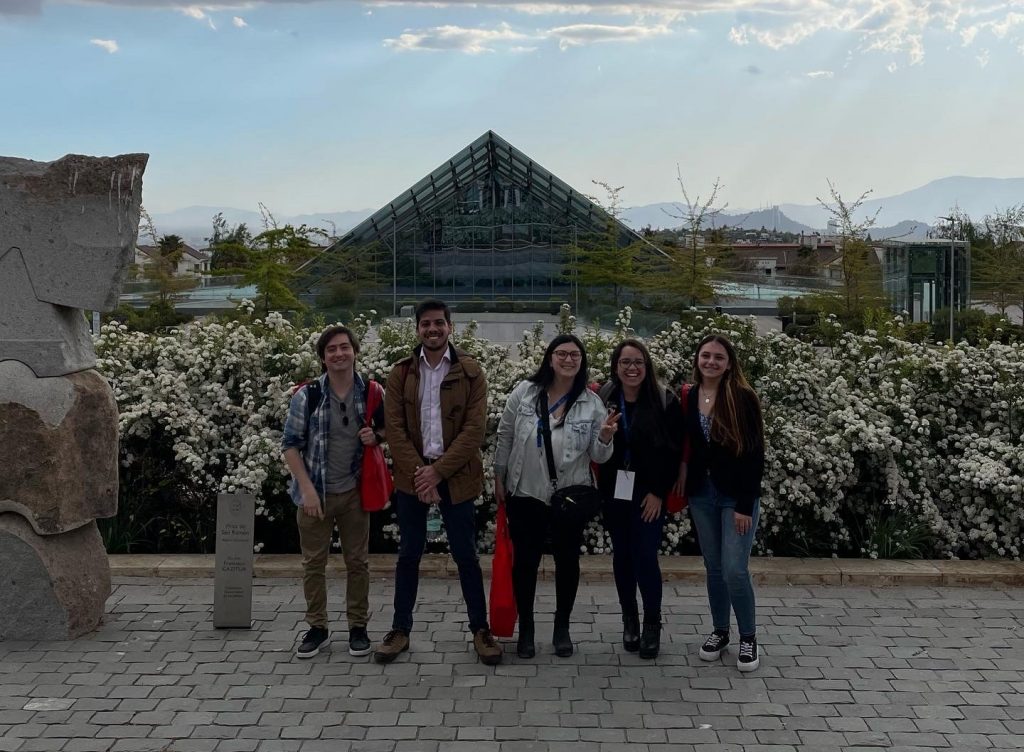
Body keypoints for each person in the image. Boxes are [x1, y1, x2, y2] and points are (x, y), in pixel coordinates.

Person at [373, 299, 502, 666]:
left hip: (455, 475)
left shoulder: (471, 372)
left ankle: (480, 629)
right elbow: (394, 429)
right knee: (408, 554)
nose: (432, 329)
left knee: (466, 556)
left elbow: (474, 430)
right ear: (417, 329)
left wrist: (438, 472)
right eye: (426, 324)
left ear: (450, 327)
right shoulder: (401, 373)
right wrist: (422, 473)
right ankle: (400, 629)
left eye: (439, 323)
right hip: (413, 477)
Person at [493, 335, 618, 659]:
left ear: (582, 361)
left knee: (567, 561)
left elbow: (599, 456)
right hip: (526, 491)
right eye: (561, 353)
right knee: (525, 562)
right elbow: (505, 435)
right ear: (550, 358)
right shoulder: (525, 392)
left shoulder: (591, 403)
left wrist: (605, 438)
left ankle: (562, 627)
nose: (567, 360)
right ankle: (527, 629)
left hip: (570, 495)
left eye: (574, 355)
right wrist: (499, 476)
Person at [282, 325, 386, 659]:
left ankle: (358, 627)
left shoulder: (372, 392)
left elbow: (388, 428)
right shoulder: (307, 396)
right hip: (315, 494)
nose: (339, 354)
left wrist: (376, 436)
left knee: (358, 562)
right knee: (314, 564)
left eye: (344, 347)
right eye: (331, 349)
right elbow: (290, 445)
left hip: (355, 492)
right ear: (323, 357)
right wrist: (307, 490)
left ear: (355, 351)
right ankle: (317, 627)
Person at [679, 333, 765, 672]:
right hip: (702, 494)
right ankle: (720, 630)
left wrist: (745, 504)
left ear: (729, 363)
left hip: (735, 495)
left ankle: (748, 636)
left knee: (734, 569)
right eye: (706, 355)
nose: (711, 362)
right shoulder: (689, 395)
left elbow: (755, 454)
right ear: (697, 359)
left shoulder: (742, 397)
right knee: (714, 568)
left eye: (718, 357)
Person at [596, 338, 684, 659]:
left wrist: (659, 492)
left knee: (645, 556)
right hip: (615, 490)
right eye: (625, 362)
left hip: (649, 493)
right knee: (622, 556)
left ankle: (652, 623)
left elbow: (673, 452)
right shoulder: (604, 398)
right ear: (616, 366)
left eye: (638, 362)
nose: (632, 368)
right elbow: (595, 446)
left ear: (647, 366)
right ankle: (629, 618)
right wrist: (603, 436)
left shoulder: (664, 400)